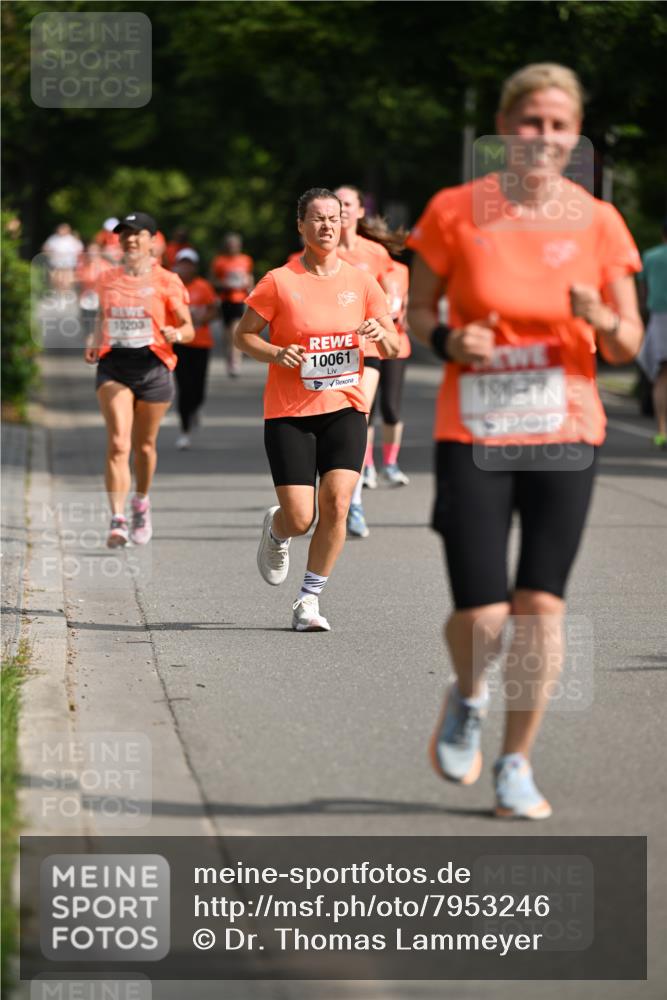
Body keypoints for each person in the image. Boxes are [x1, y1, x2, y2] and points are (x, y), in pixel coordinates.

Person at [407, 63, 643, 818]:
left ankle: (515, 763)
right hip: (474, 426)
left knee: (540, 605)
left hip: (567, 426)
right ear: (503, 129)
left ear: (575, 137)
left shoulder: (598, 222)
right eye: (529, 123)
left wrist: (602, 320)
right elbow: (414, 315)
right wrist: (449, 339)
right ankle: (468, 694)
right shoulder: (453, 211)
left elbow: (628, 343)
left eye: (557, 126)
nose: (542, 138)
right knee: (482, 614)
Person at [234, 188, 398, 631]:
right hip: (289, 410)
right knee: (301, 516)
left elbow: (396, 344)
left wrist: (377, 331)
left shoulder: (362, 282)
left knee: (338, 502)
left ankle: (308, 600)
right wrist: (275, 353)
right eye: (317, 218)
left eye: (334, 217)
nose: (328, 225)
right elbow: (243, 335)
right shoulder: (278, 280)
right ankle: (278, 530)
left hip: (345, 406)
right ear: (301, 226)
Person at [84, 212, 195, 547]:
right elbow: (103, 316)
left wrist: (177, 331)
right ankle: (117, 519)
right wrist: (94, 339)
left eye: (137, 233)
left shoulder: (167, 280)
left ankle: (140, 503)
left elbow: (188, 328)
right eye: (125, 234)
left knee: (144, 446)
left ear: (152, 240)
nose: (130, 239)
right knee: (119, 442)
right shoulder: (107, 278)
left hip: (154, 368)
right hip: (114, 366)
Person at [334, 185, 406, 535]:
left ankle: (355, 503)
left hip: (369, 350)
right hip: (330, 353)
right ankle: (332, 492)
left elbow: (389, 292)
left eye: (348, 204)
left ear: (360, 211)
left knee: (359, 416)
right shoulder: (319, 251)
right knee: (332, 427)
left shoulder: (376, 253)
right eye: (336, 204)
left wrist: (389, 320)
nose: (342, 210)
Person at [366, 250, 412, 489]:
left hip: (397, 344)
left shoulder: (402, 270)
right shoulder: (364, 266)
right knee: (367, 409)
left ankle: (390, 464)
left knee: (391, 408)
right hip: (369, 345)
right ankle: (367, 466)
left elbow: (405, 303)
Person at [172, 248, 218, 449]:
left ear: (195, 266)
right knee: (183, 387)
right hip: (180, 343)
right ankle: (184, 431)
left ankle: (196, 408)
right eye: (182, 263)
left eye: (189, 264)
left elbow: (214, 311)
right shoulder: (172, 287)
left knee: (198, 387)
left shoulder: (204, 287)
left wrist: (202, 319)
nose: (185, 267)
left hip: (201, 344)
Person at [637, 217, 667, 448]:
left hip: (659, 318)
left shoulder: (651, 256)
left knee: (661, 377)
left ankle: (661, 431)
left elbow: (641, 291)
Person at [210, 232, 254, 377]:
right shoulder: (219, 261)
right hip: (225, 298)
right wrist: (224, 284)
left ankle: (236, 360)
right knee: (226, 331)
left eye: (235, 245)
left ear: (239, 246)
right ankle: (229, 356)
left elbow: (249, 278)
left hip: (240, 299)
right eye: (230, 245)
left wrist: (249, 287)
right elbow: (212, 280)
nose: (232, 247)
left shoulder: (246, 260)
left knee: (235, 329)